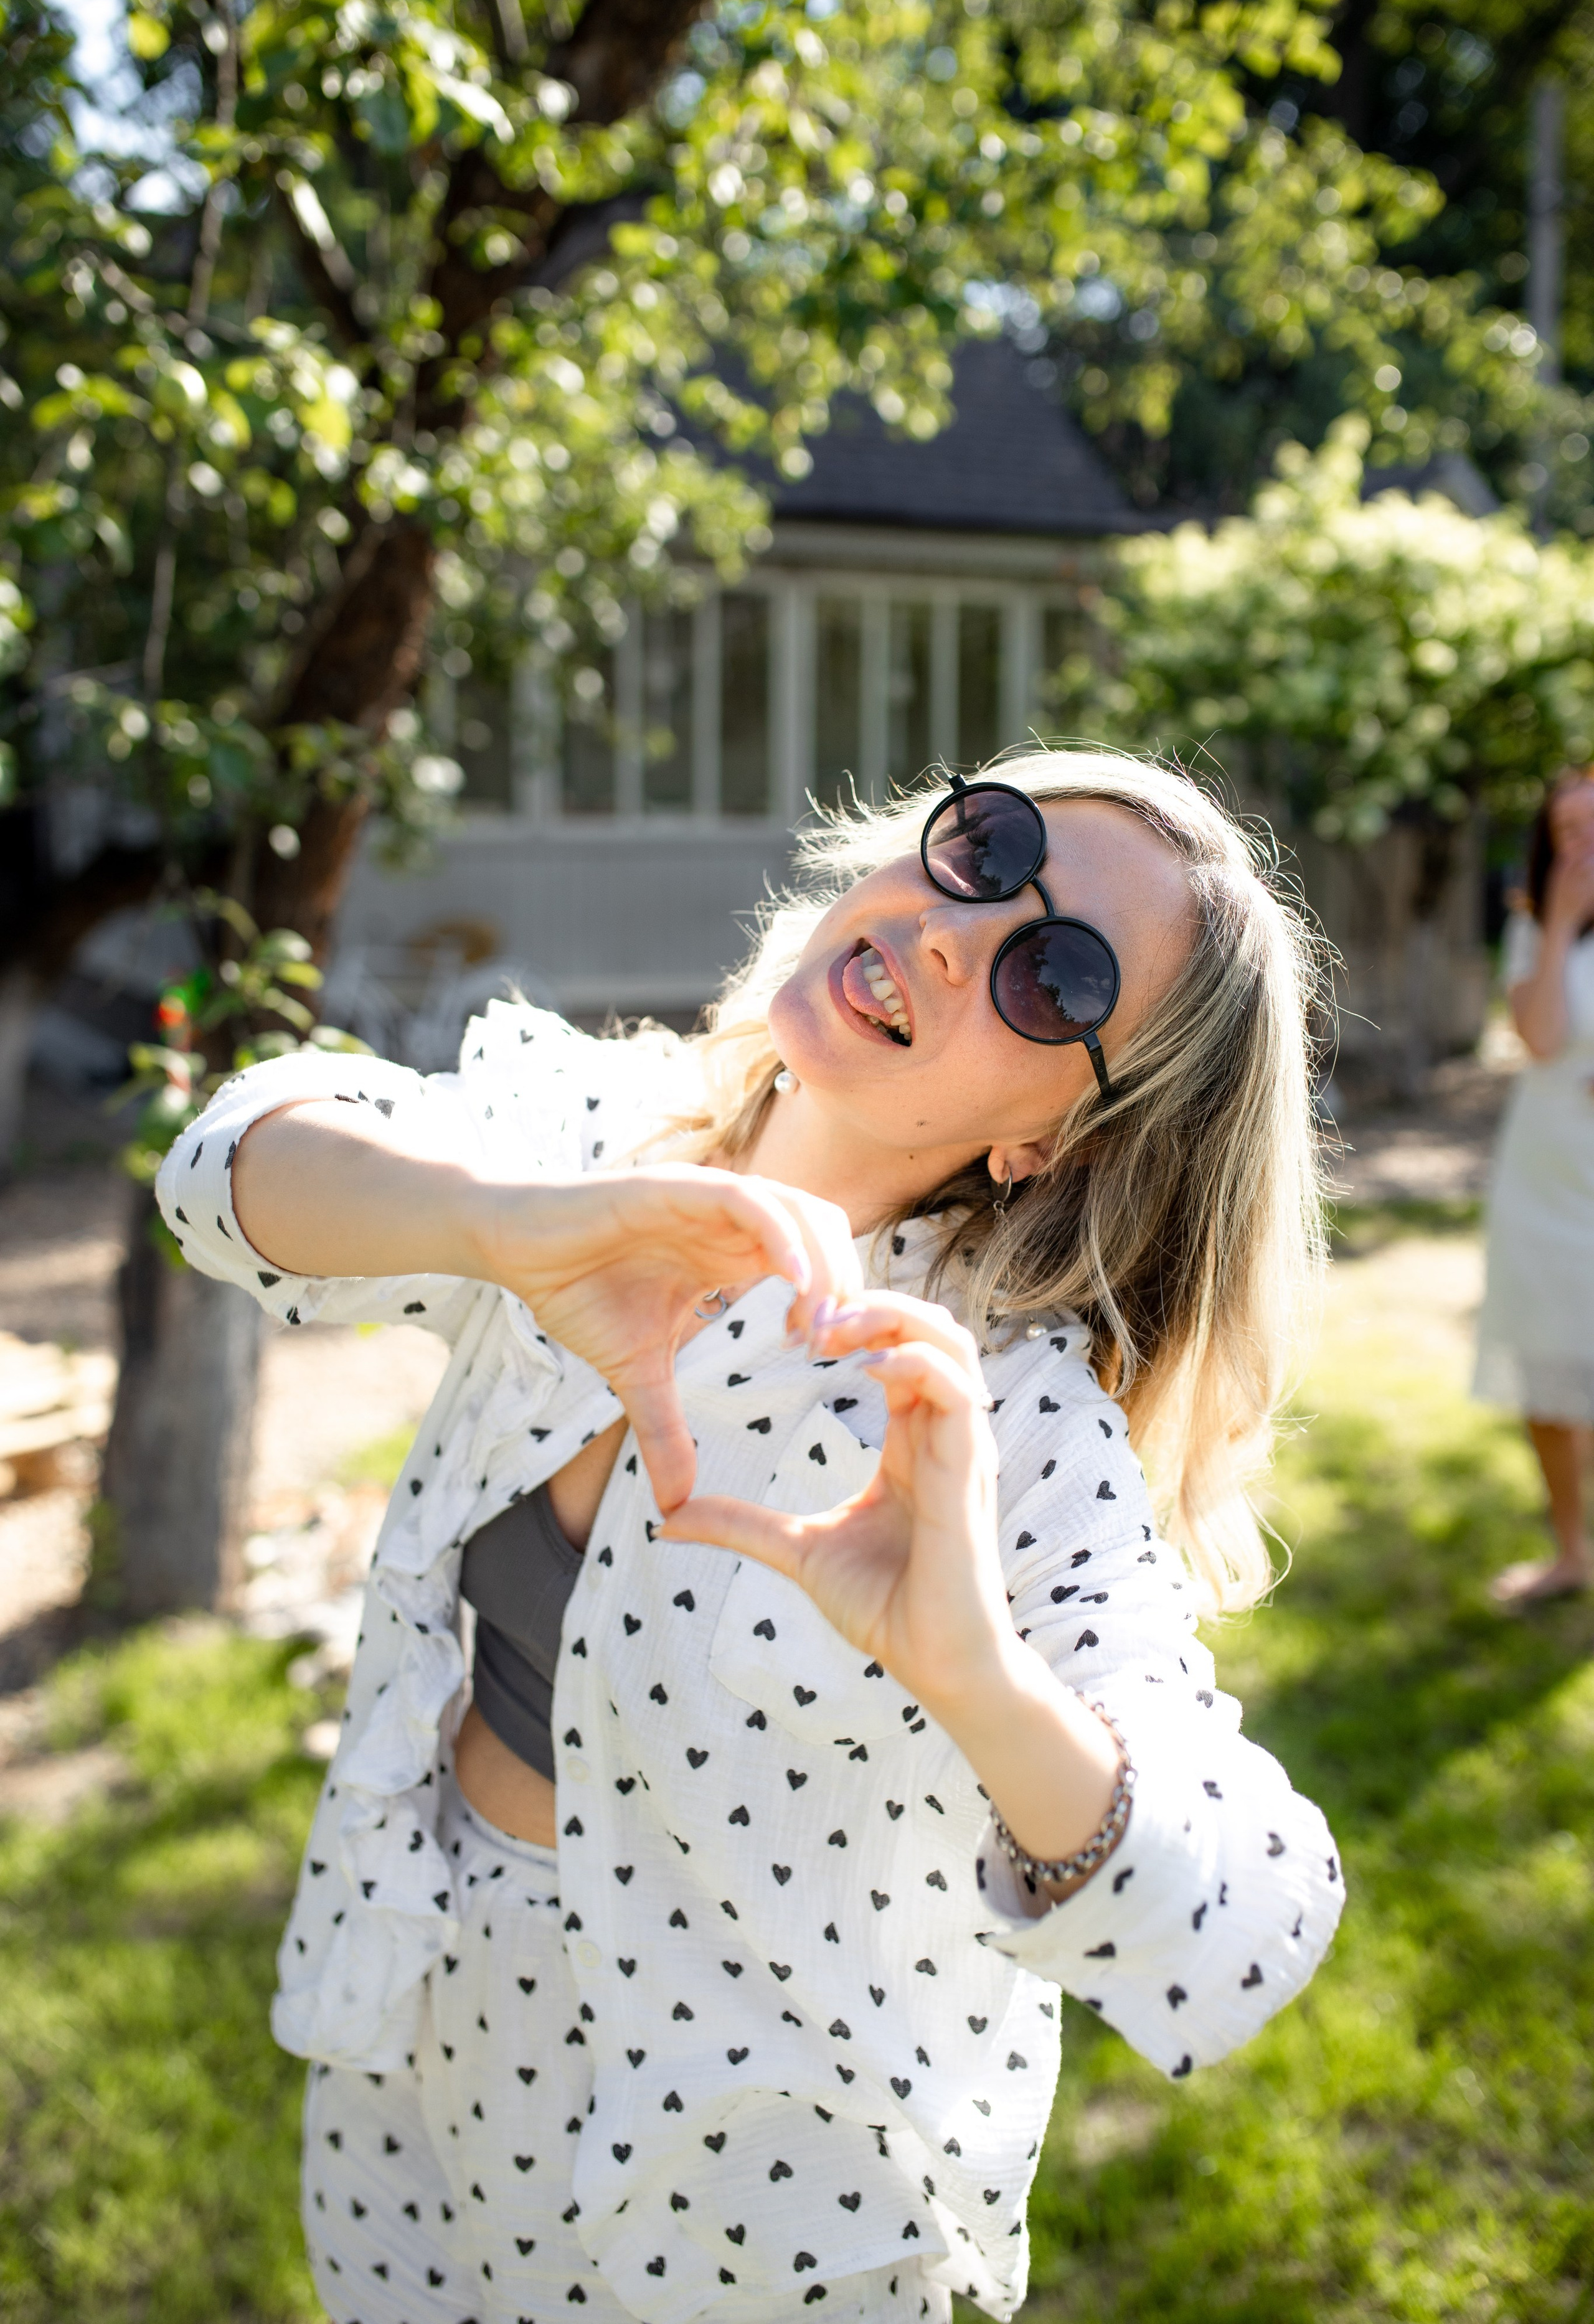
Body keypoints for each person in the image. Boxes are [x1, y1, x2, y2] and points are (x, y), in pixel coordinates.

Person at [158, 750, 1344, 2324]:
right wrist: (496, 1229)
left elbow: (1242, 1925)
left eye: (1053, 977)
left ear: (1048, 1141)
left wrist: (980, 1680)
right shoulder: (592, 1135)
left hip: (754, 2236)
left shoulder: (996, 1425)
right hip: (417, 2067)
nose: (952, 932)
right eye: (985, 851)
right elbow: (221, 1173)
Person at [1475, 765, 1594, 1604]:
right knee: (1550, 1376)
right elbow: (1544, 1038)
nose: (1584, 846)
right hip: (1545, 1177)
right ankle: (1572, 1551)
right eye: (1568, 833)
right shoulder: (1533, 930)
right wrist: (1557, 926)